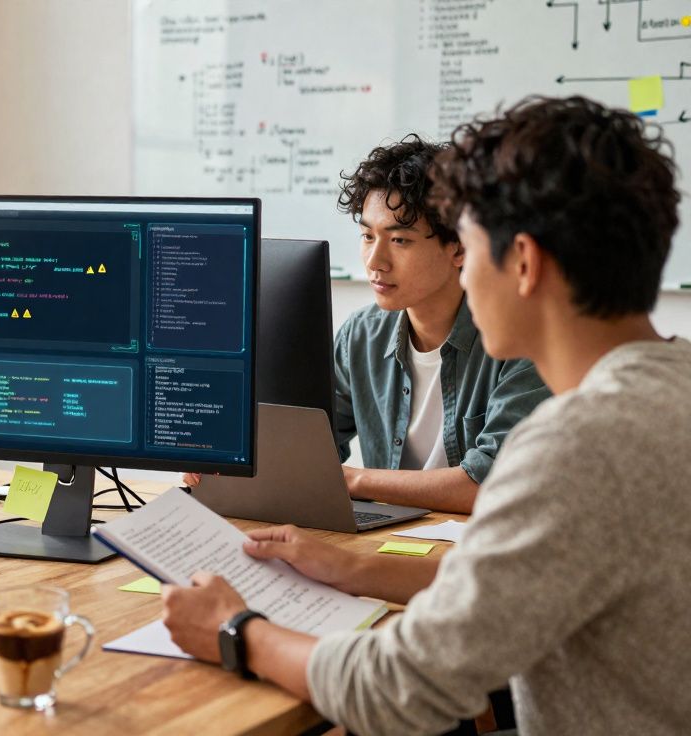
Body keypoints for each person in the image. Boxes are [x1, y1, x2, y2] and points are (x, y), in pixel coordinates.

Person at [162, 96, 691, 734]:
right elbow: (513, 586)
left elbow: (402, 685)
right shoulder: (671, 387)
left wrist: (236, 630)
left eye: (465, 247)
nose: (463, 271)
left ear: (522, 262)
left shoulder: (578, 449)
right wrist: (351, 565)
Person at [186, 136, 549, 514]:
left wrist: (355, 480)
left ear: (458, 247)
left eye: (400, 240)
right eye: (367, 236)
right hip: (393, 539)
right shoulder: (362, 335)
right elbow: (306, 450)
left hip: (476, 547)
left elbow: (490, 486)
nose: (376, 260)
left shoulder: (517, 340)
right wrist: (229, 461)